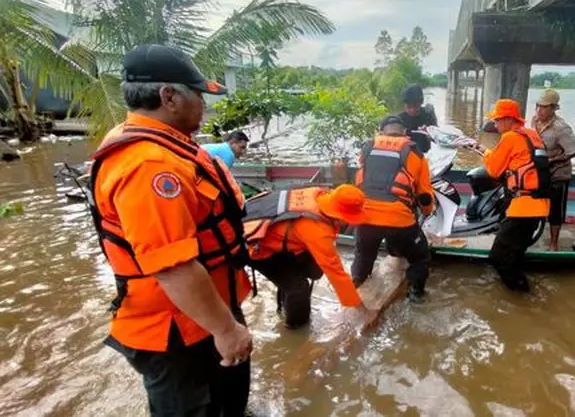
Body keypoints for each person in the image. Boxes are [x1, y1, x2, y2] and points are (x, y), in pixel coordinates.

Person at [87, 44, 253, 416]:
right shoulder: (149, 166)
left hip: (204, 314)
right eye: (199, 96)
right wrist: (226, 330)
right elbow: (172, 266)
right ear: (169, 97)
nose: (204, 105)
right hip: (180, 331)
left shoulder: (161, 143)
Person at [243, 184, 376, 328]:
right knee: (298, 287)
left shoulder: (319, 194)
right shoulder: (317, 232)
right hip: (254, 246)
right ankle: (296, 329)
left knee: (315, 271)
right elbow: (337, 275)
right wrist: (363, 312)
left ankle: (287, 299)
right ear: (341, 216)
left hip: (278, 232)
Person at [350, 115, 435, 302]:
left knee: (363, 256)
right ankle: (416, 296)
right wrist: (428, 212)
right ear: (404, 132)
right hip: (399, 219)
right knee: (420, 258)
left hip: (365, 217)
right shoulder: (416, 153)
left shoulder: (367, 148)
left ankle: (356, 284)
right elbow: (424, 195)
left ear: (381, 132)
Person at [473, 99, 551, 292]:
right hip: (539, 204)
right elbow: (518, 161)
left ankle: (523, 297)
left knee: (499, 257)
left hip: (522, 207)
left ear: (509, 119)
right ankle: (521, 294)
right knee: (515, 254)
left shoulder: (509, 137)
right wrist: (484, 150)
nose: (495, 125)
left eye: (498, 121)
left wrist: (482, 153)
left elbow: (494, 170)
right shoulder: (531, 135)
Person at [532, 89, 575, 251]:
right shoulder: (534, 121)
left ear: (553, 108)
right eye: (538, 106)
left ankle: (554, 243)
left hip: (558, 173)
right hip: (540, 172)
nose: (539, 110)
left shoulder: (561, 128)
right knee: (534, 203)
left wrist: (553, 160)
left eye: (544, 107)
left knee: (556, 209)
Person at [397, 84, 437, 153]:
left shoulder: (428, 116)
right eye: (409, 107)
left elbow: (437, 140)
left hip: (425, 154)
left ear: (421, 102)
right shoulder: (399, 119)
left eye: (415, 106)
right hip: (406, 154)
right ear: (404, 105)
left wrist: (429, 134)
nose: (412, 110)